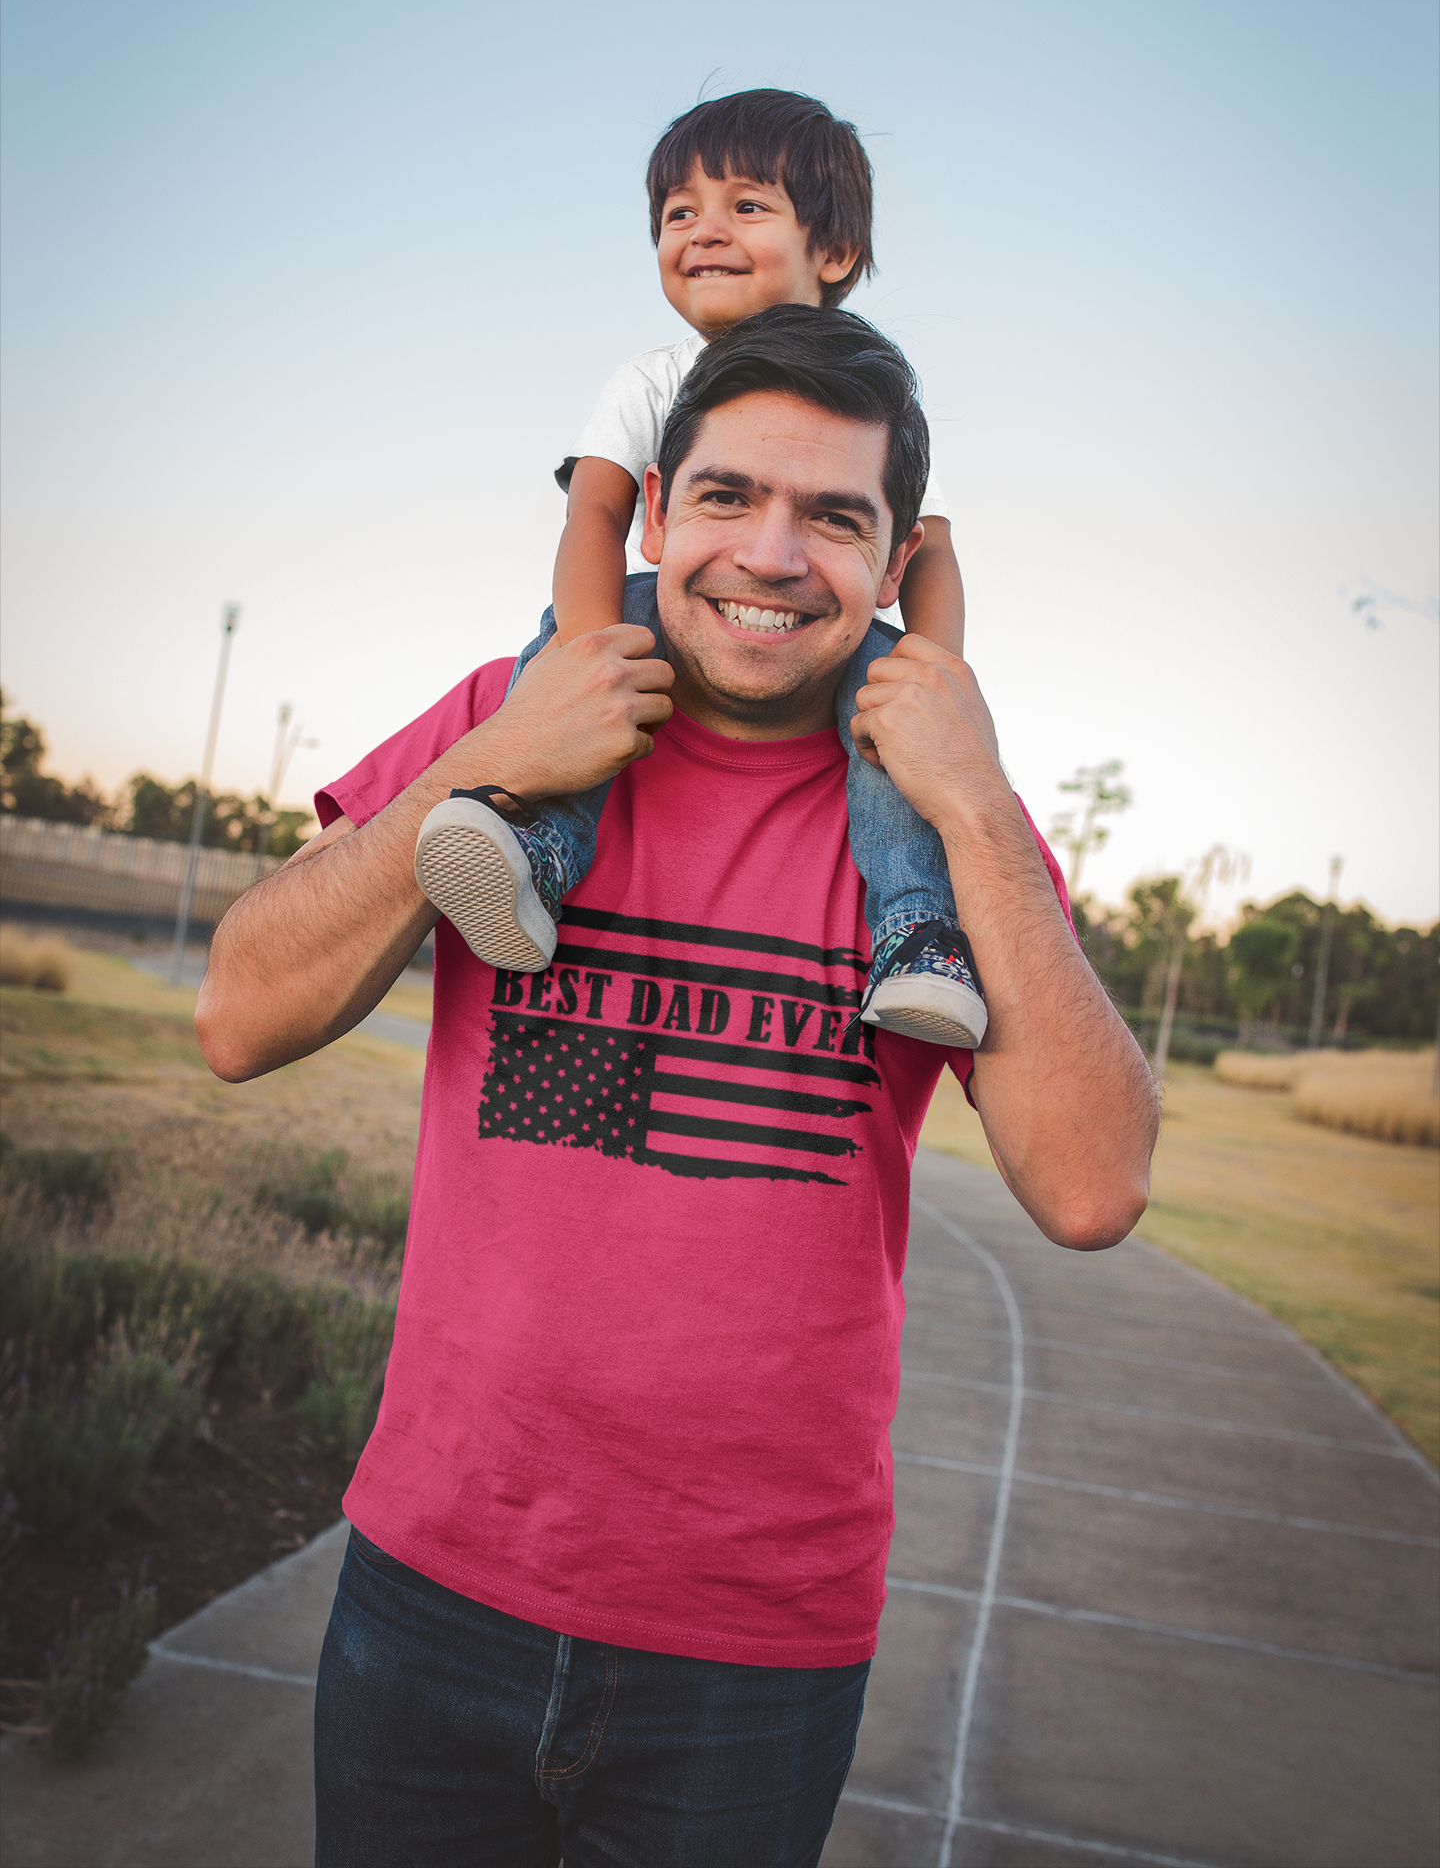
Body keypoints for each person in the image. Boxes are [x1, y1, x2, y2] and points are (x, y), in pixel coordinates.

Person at [196, 307, 1157, 1868]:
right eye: (727, 498)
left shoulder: (936, 818)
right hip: (434, 1580)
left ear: (897, 559)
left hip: (751, 1651)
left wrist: (976, 801)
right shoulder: (503, 729)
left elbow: (1093, 1185)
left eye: (834, 517)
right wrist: (494, 754)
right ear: (653, 512)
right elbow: (238, 1016)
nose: (772, 554)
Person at [414, 88, 988, 1050]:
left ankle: (918, 937)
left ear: (834, 254)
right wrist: (589, 658)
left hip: (833, 642)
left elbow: (929, 545)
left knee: (890, 743)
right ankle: (539, 845)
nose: (704, 231)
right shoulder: (651, 377)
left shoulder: (870, 389)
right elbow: (594, 514)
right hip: (651, 610)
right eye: (679, 213)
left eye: (747, 206)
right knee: (559, 656)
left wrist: (929, 687)